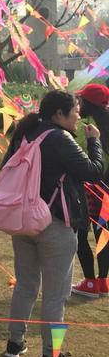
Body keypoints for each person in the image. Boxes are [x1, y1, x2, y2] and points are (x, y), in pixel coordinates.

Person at [0, 90, 103, 357]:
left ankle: (15, 343)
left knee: (25, 285)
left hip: (22, 220)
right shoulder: (59, 138)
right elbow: (93, 171)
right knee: (55, 294)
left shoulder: (26, 132)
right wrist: (94, 141)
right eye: (75, 110)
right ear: (59, 113)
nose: (79, 115)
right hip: (54, 224)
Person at [72, 84, 109, 297]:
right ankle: (103, 281)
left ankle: (89, 282)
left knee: (80, 232)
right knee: (103, 234)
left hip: (88, 186)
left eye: (81, 100)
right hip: (107, 189)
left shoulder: (83, 124)